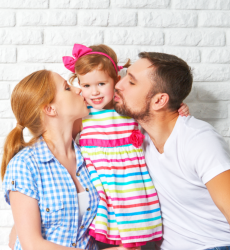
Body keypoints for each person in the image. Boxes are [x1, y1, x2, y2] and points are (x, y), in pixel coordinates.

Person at [62, 44, 190, 248]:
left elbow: (156, 119)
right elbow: (63, 141)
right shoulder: (83, 114)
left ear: (116, 81)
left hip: (131, 182)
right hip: (100, 183)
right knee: (102, 229)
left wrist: (176, 108)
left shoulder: (128, 109)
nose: (94, 92)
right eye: (86, 86)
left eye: (101, 84)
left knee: (134, 228)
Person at [113, 52, 230, 250]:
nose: (118, 84)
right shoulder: (135, 135)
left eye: (131, 82)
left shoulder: (200, 140)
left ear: (159, 101)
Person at [2, 70, 138, 250]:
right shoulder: (25, 164)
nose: (78, 89)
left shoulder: (91, 156)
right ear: (50, 109)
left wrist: (174, 106)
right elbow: (32, 245)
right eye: (67, 88)